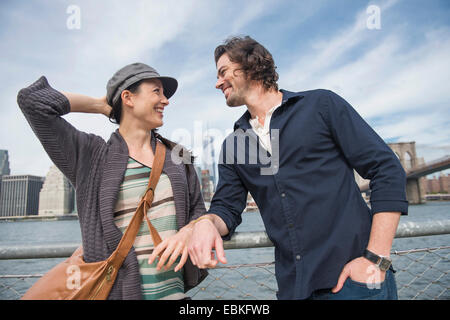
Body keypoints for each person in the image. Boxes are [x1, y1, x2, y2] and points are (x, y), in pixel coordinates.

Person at [188, 36, 408, 300]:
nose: (217, 82)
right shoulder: (233, 145)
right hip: (295, 290)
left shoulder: (321, 106)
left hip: (358, 284)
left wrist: (376, 259)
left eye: (223, 72)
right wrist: (205, 223)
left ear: (250, 64)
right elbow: (225, 209)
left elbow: (386, 169)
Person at [17, 63, 207, 300]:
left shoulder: (178, 156)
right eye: (156, 91)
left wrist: (189, 231)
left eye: (165, 94)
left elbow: (199, 211)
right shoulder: (90, 155)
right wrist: (99, 106)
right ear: (128, 97)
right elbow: (32, 101)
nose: (165, 100)